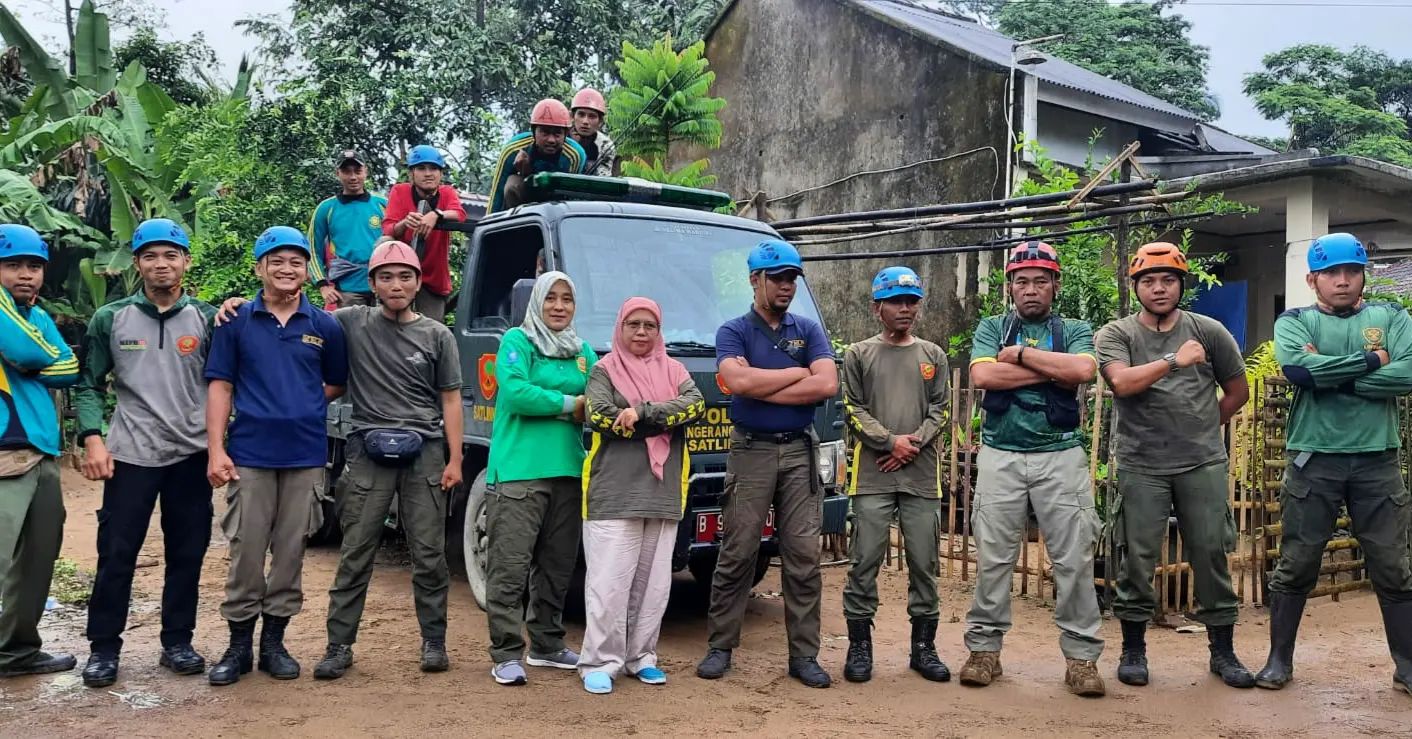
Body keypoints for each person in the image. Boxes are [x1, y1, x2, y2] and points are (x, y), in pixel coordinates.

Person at [1096, 242, 1255, 690]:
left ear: (1181, 285)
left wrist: (1203, 425)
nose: (1159, 288)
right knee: (1137, 556)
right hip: (1141, 463)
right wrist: (1173, 360)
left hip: (1201, 462)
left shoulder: (1209, 331)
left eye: (1168, 280)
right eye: (1149, 281)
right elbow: (1121, 383)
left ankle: (1223, 652)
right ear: (1135, 287)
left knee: (1210, 553)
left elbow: (1238, 391)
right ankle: (1133, 650)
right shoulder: (1117, 334)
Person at [1260, 232, 1412, 695]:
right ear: (1313, 280)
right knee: (1296, 563)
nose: (1342, 280)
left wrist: (1333, 376)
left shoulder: (1392, 316)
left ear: (1363, 275)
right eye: (1331, 273)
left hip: (1376, 459)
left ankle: (1407, 668)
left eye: (1351, 271)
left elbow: (1407, 374)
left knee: (1393, 567)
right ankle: (1278, 661)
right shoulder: (1295, 321)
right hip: (1314, 460)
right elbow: (1297, 370)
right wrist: (1374, 360)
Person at [311, 240, 464, 679]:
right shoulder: (351, 322)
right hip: (367, 450)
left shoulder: (437, 335)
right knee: (356, 552)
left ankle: (434, 642)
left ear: (418, 283)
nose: (396, 285)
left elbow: (450, 399)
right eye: (386, 277)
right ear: (373, 284)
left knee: (429, 554)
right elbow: (299, 315)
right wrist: (239, 306)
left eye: (404, 277)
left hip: (425, 452)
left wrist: (455, 459)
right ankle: (339, 646)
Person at [75, 219, 218, 688]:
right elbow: (89, 383)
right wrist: (92, 437)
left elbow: (224, 385)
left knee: (187, 553)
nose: (162, 264)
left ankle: (177, 642)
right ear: (136, 263)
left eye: (171, 255)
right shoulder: (110, 318)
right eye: (151, 256)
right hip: (131, 455)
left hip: (191, 455)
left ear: (186, 262)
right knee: (116, 553)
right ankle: (104, 648)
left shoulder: (208, 319)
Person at [958, 241, 1106, 697]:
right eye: (1021, 281)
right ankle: (984, 651)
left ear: (1056, 285)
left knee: (1074, 560)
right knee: (993, 559)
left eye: (1041, 281)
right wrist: (1054, 370)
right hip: (1000, 454)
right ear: (1010, 288)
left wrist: (1019, 356)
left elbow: (1084, 370)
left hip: (1061, 455)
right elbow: (983, 377)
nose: (1031, 289)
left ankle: (1081, 659)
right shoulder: (992, 327)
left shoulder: (1074, 329)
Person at [203, 226, 348, 686]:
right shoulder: (236, 321)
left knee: (290, 552)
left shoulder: (324, 325)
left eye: (296, 262)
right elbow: (221, 385)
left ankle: (274, 645)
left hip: (305, 454)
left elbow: (335, 383)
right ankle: (238, 647)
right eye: (277, 262)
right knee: (246, 550)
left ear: (307, 271)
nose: (287, 270)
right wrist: (216, 449)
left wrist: (300, 406)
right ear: (259, 268)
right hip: (249, 453)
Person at [697, 239, 839, 689]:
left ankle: (804, 655)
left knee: (803, 556)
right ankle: (720, 646)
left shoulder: (808, 330)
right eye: (777, 278)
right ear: (754, 280)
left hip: (799, 451)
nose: (786, 286)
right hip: (751, 450)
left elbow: (827, 384)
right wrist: (798, 373)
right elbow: (736, 381)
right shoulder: (734, 331)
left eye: (792, 278)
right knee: (738, 550)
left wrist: (762, 384)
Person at [578, 297, 704, 694]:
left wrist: (642, 413)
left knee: (653, 587)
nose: (641, 332)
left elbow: (695, 406)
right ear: (620, 327)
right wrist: (662, 419)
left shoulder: (675, 369)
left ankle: (642, 657)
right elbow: (600, 416)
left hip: (662, 494)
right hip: (614, 493)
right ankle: (600, 662)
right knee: (609, 584)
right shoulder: (603, 370)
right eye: (633, 324)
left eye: (650, 325)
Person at [484, 270, 597, 686]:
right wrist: (570, 405)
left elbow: (599, 397)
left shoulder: (582, 350)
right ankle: (506, 652)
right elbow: (516, 393)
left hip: (568, 470)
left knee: (557, 566)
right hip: (519, 472)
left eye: (567, 299)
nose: (559, 306)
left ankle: (547, 644)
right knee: (510, 566)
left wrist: (584, 406)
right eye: (551, 298)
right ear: (537, 302)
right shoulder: (518, 341)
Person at [840, 266, 951, 684]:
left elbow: (940, 410)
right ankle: (859, 647)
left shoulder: (934, 355)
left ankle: (924, 648)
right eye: (896, 302)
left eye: (911, 302)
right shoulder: (858, 354)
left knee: (925, 563)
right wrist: (889, 442)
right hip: (872, 475)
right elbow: (852, 408)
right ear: (877, 308)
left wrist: (911, 445)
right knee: (864, 560)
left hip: (920, 477)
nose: (905, 309)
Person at [0, 224, 80, 679]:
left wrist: (33, 358)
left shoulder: (39, 316)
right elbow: (28, 353)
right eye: (12, 265)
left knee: (37, 559)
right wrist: (35, 357)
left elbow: (68, 367)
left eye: (34, 266)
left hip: (40, 450)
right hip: (4, 453)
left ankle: (15, 651)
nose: (25, 275)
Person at [382, 144, 467, 323]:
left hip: (432, 278)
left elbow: (459, 214)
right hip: (401, 273)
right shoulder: (400, 191)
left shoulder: (447, 193)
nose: (428, 174)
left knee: (430, 329)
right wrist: (405, 223)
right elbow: (388, 228)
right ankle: (381, 292)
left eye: (433, 168)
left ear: (440, 174)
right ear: (411, 174)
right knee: (384, 241)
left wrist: (436, 214)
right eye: (421, 168)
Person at [309, 149, 388, 309]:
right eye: (346, 172)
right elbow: (312, 249)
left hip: (383, 285)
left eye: (357, 171)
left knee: (385, 326)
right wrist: (322, 285)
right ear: (337, 173)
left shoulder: (383, 204)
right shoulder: (326, 208)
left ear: (366, 171)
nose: (353, 177)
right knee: (349, 326)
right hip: (347, 288)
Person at [487, 99, 586, 214]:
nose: (551, 140)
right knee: (512, 185)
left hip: (557, 203)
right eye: (545, 133)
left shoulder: (575, 155)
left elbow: (572, 196)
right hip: (524, 198)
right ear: (534, 131)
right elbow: (497, 194)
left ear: (565, 134)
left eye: (557, 134)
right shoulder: (514, 149)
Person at [569, 88, 617, 177]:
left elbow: (602, 179)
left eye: (592, 116)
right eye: (581, 114)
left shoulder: (605, 145)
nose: (585, 121)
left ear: (600, 121)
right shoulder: (560, 137)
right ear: (572, 116)